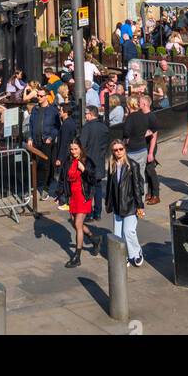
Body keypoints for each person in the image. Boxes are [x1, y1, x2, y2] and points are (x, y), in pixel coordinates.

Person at [105, 137, 146, 268]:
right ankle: (123, 257)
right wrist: (108, 203)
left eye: (120, 149)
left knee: (129, 231)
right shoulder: (112, 166)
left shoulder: (132, 165)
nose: (118, 152)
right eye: (115, 150)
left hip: (130, 204)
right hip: (117, 205)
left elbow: (137, 187)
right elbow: (109, 187)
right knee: (118, 235)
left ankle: (136, 253)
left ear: (125, 149)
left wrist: (140, 206)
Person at [59, 137, 96, 268]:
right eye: (71, 149)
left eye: (75, 149)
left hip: (83, 196)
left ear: (81, 148)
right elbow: (63, 178)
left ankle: (77, 256)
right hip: (73, 196)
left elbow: (93, 179)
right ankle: (94, 238)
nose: (73, 151)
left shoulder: (87, 161)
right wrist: (61, 193)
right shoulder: (68, 161)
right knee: (75, 224)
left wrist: (84, 170)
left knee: (77, 224)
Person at [27, 88, 61, 200]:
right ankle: (34, 188)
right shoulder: (35, 109)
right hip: (36, 141)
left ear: (46, 96)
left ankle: (45, 188)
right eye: (38, 95)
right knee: (34, 164)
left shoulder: (53, 110)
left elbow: (57, 127)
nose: (39, 98)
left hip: (47, 141)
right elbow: (31, 125)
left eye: (41, 96)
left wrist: (51, 137)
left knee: (46, 165)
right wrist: (30, 137)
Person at [80, 105, 110, 220]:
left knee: (87, 188)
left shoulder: (87, 128)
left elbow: (82, 145)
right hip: (100, 161)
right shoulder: (104, 127)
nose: (85, 116)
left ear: (91, 114)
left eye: (86, 113)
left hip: (88, 163)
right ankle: (97, 213)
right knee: (97, 188)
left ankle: (88, 213)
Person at [54, 104, 78, 206]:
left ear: (65, 112)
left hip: (65, 155)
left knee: (64, 177)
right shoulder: (70, 122)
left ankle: (63, 199)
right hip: (68, 154)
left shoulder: (66, 125)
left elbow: (64, 143)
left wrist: (59, 158)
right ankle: (60, 196)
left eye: (61, 110)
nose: (59, 112)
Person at [138, 94, 161, 205]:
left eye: (140, 103)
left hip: (149, 147)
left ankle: (156, 195)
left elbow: (154, 136)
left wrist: (151, 152)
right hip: (144, 147)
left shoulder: (151, 117)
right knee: (146, 170)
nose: (138, 104)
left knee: (150, 170)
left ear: (145, 104)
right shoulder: (142, 116)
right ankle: (150, 193)